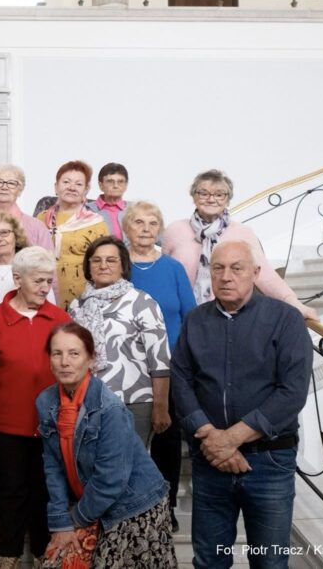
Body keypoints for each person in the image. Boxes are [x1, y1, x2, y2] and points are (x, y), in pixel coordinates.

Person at [171, 240, 313, 568]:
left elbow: (292, 392)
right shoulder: (195, 321)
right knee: (209, 561)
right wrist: (211, 436)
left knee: (269, 562)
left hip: (269, 461)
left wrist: (229, 439)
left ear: (256, 272)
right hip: (209, 461)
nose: (226, 276)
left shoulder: (286, 319)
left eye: (237, 268)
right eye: (218, 268)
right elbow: (180, 381)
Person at [37, 322, 176, 569]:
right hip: (90, 503)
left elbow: (111, 479)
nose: (64, 362)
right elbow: (53, 466)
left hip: (133, 506)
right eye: (57, 353)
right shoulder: (45, 401)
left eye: (74, 353)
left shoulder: (109, 408)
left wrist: (75, 520)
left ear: (91, 359)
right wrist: (60, 521)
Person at [0, 247, 70, 568]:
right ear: (17, 279)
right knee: (10, 491)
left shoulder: (60, 319)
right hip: (6, 425)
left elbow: (74, 372)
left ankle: (42, 554)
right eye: (38, 281)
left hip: (50, 425)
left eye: (48, 281)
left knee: (45, 491)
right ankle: (9, 554)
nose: (45, 288)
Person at [162, 168, 320, 320]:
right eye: (203, 193)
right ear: (193, 197)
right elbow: (163, 276)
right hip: (180, 317)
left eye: (219, 194)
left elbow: (265, 275)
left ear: (228, 200)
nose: (211, 199)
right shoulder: (174, 231)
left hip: (227, 316)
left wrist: (293, 302)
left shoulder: (243, 233)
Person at [124, 201, 196, 532]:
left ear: (159, 230)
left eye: (152, 223)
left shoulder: (173, 268)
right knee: (129, 440)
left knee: (167, 440)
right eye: (138, 222)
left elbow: (189, 316)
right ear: (126, 227)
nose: (145, 228)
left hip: (170, 366)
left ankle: (165, 506)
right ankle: (131, 505)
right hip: (127, 369)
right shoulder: (118, 264)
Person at [69, 236, 171, 446]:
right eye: (96, 260)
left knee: (129, 463)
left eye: (111, 260)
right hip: (87, 402)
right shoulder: (76, 307)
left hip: (134, 403)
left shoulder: (142, 302)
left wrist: (161, 406)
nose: (103, 265)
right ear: (88, 266)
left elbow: (160, 361)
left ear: (123, 265)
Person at [36, 161, 109, 310]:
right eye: (66, 182)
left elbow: (104, 264)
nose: (72, 187)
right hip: (43, 294)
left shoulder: (96, 223)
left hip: (83, 301)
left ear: (86, 190)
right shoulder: (41, 219)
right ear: (56, 187)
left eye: (78, 184)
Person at [88, 162, 130, 240]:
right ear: (101, 185)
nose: (116, 186)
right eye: (110, 181)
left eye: (120, 181)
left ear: (126, 185)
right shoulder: (86, 210)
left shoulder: (135, 210)